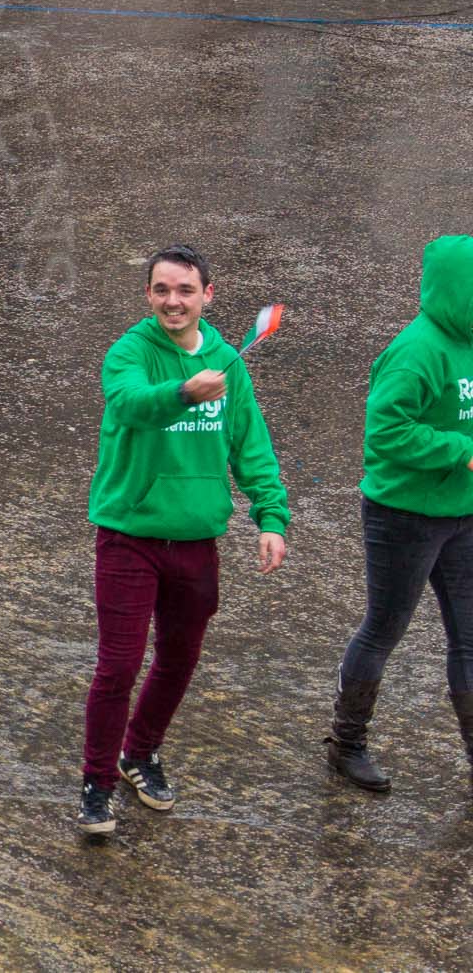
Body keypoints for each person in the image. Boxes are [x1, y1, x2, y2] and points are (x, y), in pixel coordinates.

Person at [76, 244, 290, 835]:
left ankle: (139, 753)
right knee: (118, 667)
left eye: (186, 290)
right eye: (162, 290)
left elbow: (251, 446)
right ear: (148, 294)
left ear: (207, 296)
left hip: (196, 540)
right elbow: (128, 405)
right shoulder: (130, 352)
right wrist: (181, 394)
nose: (174, 301)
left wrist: (271, 519)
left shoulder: (228, 362)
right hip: (129, 536)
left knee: (179, 659)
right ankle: (96, 783)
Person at [325, 235, 473, 794]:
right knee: (384, 629)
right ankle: (346, 745)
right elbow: (385, 432)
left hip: (464, 512)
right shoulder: (416, 351)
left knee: (470, 638)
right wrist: (461, 450)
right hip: (404, 516)